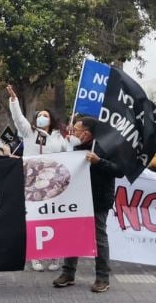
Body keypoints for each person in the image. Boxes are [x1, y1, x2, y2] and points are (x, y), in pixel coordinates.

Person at [53, 116, 124, 293]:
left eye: (76, 130)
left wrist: (99, 162)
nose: (73, 133)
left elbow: (120, 171)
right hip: (76, 198)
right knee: (71, 234)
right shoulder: (72, 146)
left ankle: (102, 278)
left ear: (87, 133)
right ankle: (68, 273)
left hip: (98, 199)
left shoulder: (106, 146)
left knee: (99, 238)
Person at [7, 84, 67, 271]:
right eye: (39, 115)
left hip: (55, 184)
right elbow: (18, 118)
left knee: (55, 219)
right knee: (34, 219)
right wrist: (14, 100)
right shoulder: (29, 132)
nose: (42, 117)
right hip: (32, 183)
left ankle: (56, 255)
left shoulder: (60, 138)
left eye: (45, 115)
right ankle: (36, 255)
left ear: (52, 120)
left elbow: (70, 157)